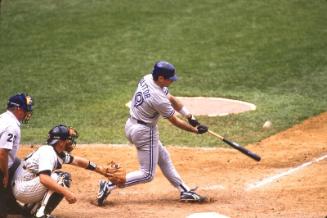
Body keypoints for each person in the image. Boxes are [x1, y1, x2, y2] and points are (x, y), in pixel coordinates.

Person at [97, 60, 208, 206]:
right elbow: (174, 120)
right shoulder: (157, 98)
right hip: (144, 132)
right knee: (147, 174)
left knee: (163, 157)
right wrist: (195, 130)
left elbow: (172, 99)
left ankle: (184, 190)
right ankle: (109, 185)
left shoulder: (148, 78)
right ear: (161, 78)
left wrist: (191, 118)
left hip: (131, 124)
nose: (172, 81)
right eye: (170, 79)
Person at [11, 124, 114, 218]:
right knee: (61, 178)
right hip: (23, 188)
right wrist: (67, 193)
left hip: (25, 185)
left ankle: (30, 210)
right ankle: (42, 214)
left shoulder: (57, 152)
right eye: (68, 139)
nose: (71, 142)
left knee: (54, 178)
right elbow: (44, 179)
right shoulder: (48, 152)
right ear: (60, 142)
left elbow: (78, 161)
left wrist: (101, 170)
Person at [0, 93, 33, 218]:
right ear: (18, 109)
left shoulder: (3, 117)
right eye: (26, 110)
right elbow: (2, 153)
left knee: (18, 164)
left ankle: (10, 203)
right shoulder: (11, 126)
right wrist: (5, 174)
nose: (28, 113)